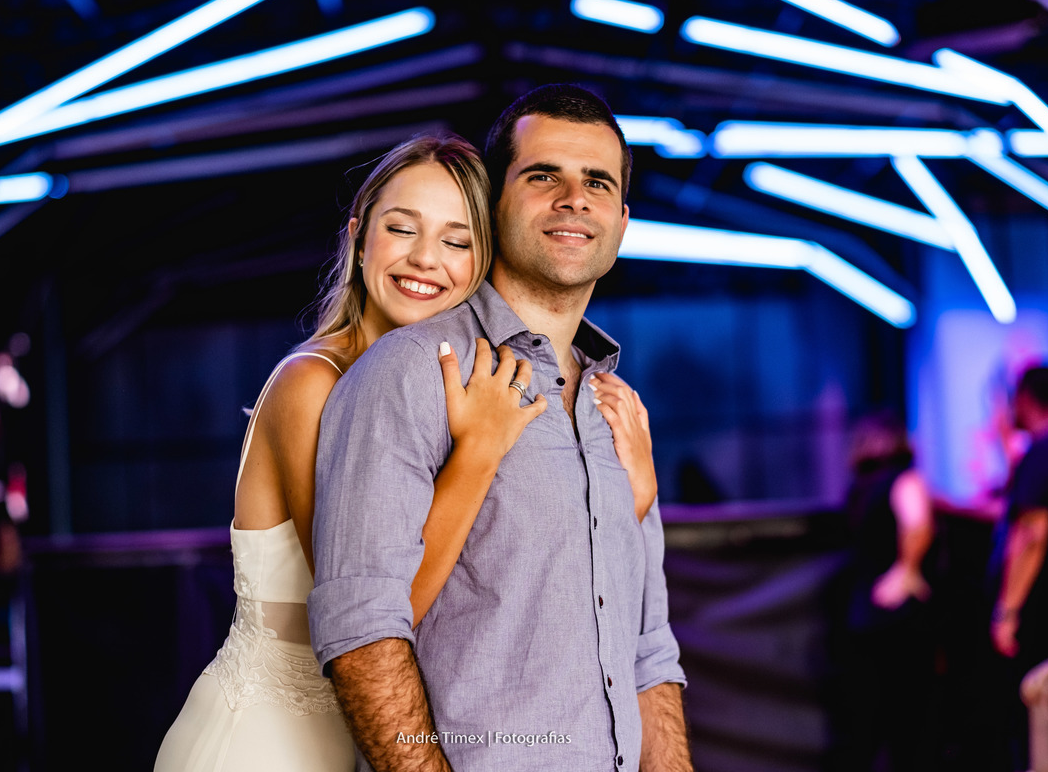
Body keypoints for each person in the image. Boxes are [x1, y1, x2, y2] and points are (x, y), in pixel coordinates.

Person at [154, 133, 657, 771]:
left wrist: (626, 503)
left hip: (375, 739)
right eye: (402, 229)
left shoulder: (448, 387)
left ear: (482, 264)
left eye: (456, 242)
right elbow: (374, 614)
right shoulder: (312, 383)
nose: (426, 260)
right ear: (359, 236)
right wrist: (479, 452)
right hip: (274, 738)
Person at [310, 84, 691, 772]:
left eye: (597, 183)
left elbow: (648, 651)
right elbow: (361, 632)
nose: (574, 200)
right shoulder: (412, 370)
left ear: (623, 221)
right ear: (494, 205)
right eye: (544, 176)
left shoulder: (619, 413)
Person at [989, 365, 1048, 770]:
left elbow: (1031, 535)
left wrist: (1008, 611)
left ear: (1025, 400)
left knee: (1036, 723)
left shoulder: (1045, 452)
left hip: (1045, 614)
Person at [830, 410, 935, 772]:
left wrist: (903, 570)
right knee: (904, 724)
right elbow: (918, 523)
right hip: (890, 620)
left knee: (879, 724)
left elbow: (917, 526)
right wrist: (905, 572)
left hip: (874, 617)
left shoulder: (874, 486)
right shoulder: (897, 482)